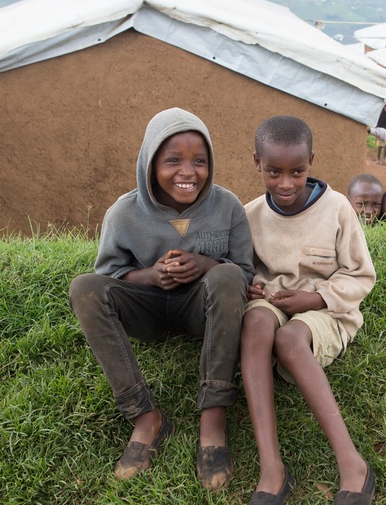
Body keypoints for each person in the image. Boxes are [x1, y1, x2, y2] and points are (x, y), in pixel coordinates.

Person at [68, 108, 254, 490]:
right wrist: (150, 275)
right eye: (173, 160)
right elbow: (110, 274)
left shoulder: (228, 206)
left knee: (228, 274)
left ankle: (213, 418)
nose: (188, 172)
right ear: (150, 163)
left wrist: (205, 264)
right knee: (84, 288)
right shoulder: (123, 213)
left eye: (199, 161)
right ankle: (145, 417)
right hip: (147, 309)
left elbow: (244, 274)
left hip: (200, 311)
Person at [240, 116, 377, 505]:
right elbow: (243, 269)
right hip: (273, 302)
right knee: (255, 323)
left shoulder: (337, 209)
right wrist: (248, 285)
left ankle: (352, 463)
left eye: (297, 172)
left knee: (290, 337)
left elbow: (361, 276)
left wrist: (315, 299)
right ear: (257, 163)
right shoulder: (250, 216)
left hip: (327, 309)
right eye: (274, 172)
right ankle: (272, 469)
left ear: (311, 161)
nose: (286, 183)